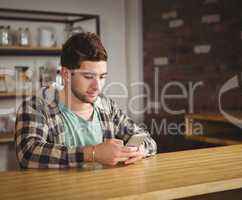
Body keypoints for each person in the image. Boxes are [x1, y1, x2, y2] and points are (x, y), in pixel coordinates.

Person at [15, 32, 157, 168]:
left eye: (102, 77)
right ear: (66, 74)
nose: (97, 86)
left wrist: (140, 149)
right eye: (88, 77)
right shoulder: (36, 107)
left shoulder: (107, 106)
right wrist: (93, 153)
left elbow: (147, 139)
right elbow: (28, 153)